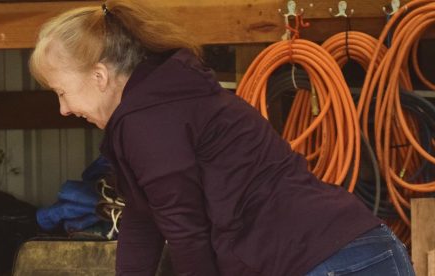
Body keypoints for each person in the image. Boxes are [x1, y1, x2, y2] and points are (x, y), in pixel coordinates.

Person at [28, 1, 414, 275]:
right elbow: (143, 219)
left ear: (99, 77)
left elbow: (186, 232)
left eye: (62, 92)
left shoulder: (146, 121)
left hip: (332, 260)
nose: (63, 109)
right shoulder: (151, 108)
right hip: (347, 253)